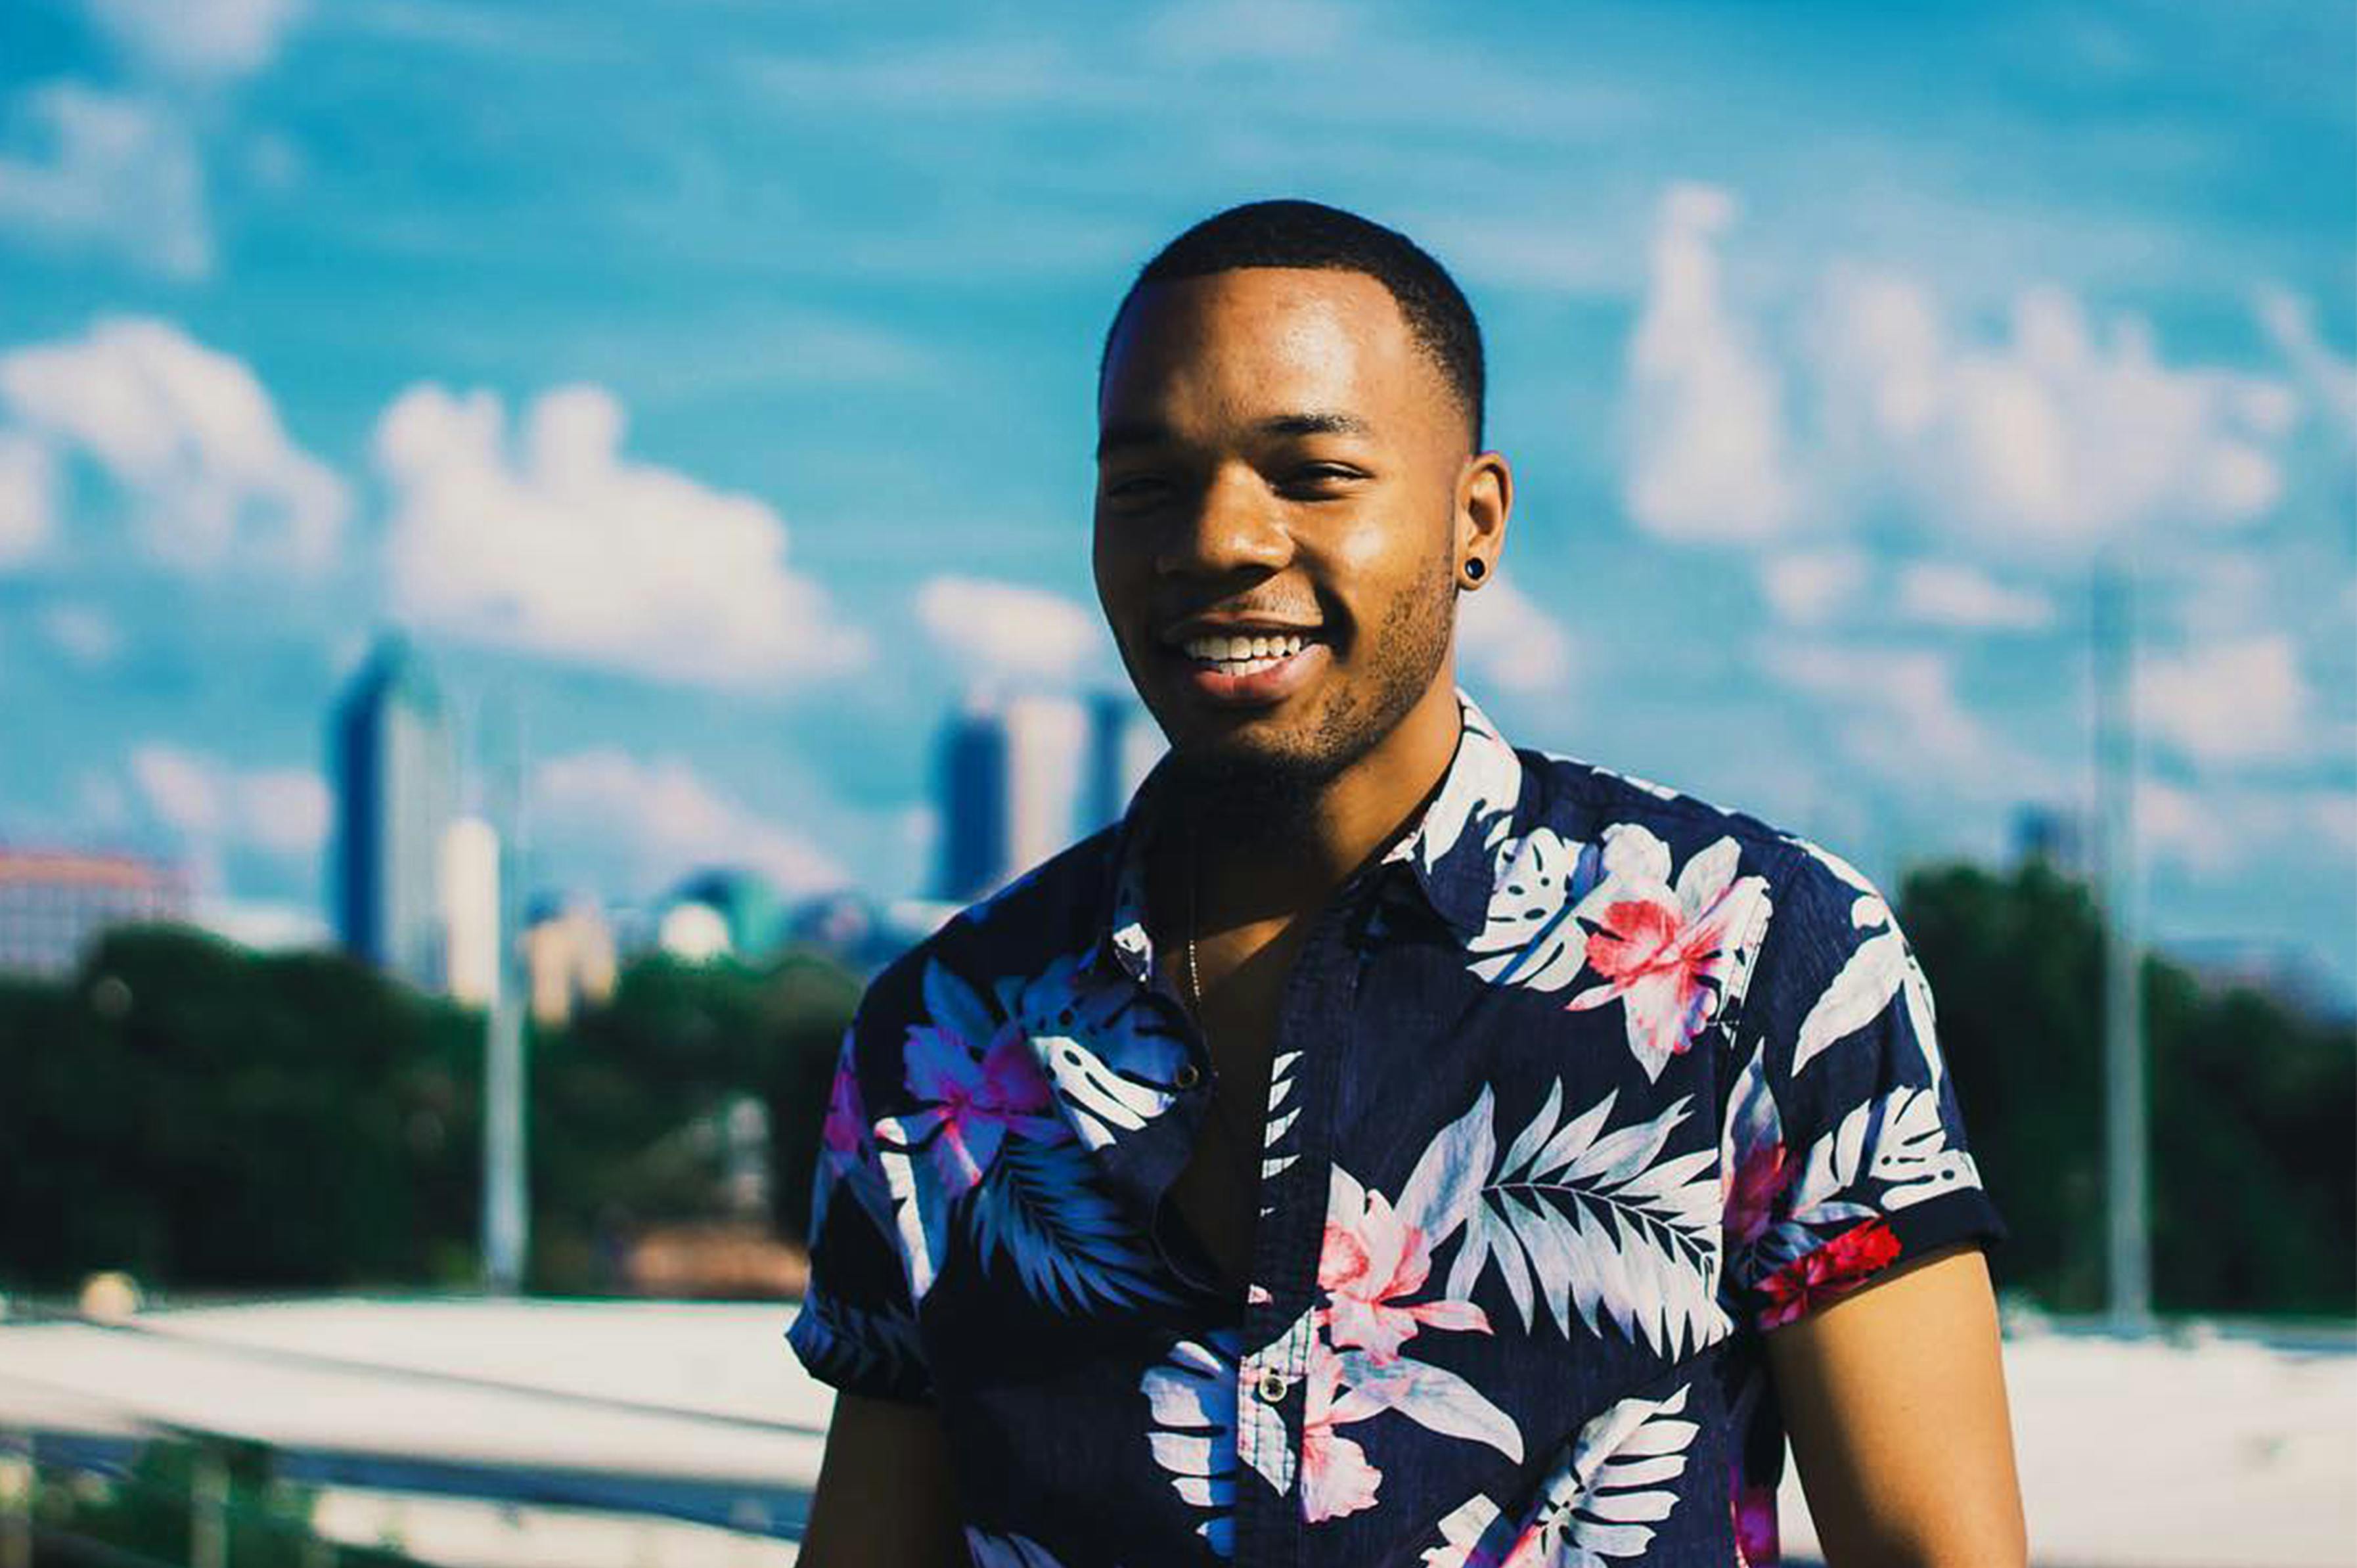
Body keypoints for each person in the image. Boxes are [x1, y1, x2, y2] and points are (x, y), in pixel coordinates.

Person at [789, 199, 2027, 1567]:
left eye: (1311, 473)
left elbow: (1935, 1542)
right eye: (1146, 482)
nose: (1218, 540)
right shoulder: (944, 1031)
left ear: (1473, 522)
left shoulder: (1761, 956)